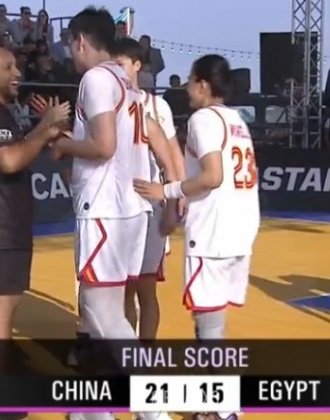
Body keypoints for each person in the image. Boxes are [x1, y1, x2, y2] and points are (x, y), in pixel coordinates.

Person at [46, 8, 165, 420]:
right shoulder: (126, 82)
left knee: (102, 312)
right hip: (128, 208)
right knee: (104, 312)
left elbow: (103, 146)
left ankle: (153, 411)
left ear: (81, 40)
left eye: (70, 44)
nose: (70, 52)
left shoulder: (96, 79)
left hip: (105, 208)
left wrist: (63, 145)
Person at [134, 55, 261, 420]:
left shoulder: (203, 119)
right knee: (211, 323)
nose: (187, 88)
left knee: (209, 326)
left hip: (214, 232)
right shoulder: (237, 120)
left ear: (203, 85)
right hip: (240, 228)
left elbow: (212, 176)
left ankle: (221, 409)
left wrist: (168, 191)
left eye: (191, 81)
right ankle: (215, 406)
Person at [0, 46, 70, 420]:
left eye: (17, 66)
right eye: (8, 67)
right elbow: (9, 159)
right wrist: (43, 128)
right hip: (1, 229)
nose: (17, 72)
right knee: (0, 314)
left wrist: (43, 130)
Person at [114, 36, 186, 340]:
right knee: (123, 290)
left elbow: (172, 155)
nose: (115, 70)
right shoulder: (109, 103)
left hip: (149, 206)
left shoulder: (157, 106)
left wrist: (177, 197)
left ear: (136, 66)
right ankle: (127, 350)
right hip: (118, 207)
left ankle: (146, 350)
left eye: (120, 64)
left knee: (145, 287)